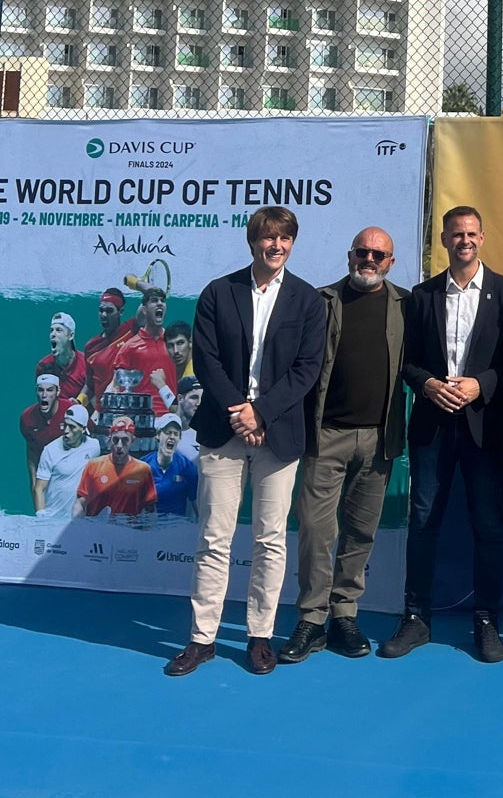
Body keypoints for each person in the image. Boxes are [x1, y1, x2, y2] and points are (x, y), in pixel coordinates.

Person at [164, 206, 325, 677]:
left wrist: (263, 412)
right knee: (214, 538)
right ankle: (202, 639)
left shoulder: (307, 300)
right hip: (223, 430)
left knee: (270, 540)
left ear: (293, 243)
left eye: (285, 239)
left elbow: (307, 369)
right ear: (252, 242)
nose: (276, 246)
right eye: (267, 238)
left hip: (279, 434)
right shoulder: (219, 292)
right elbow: (207, 360)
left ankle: (259, 637)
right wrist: (241, 411)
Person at [380, 207, 503, 663]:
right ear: (442, 240)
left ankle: (487, 622)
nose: (464, 240)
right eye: (455, 234)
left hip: (484, 430)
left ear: (482, 238)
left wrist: (481, 384)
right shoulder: (420, 296)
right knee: (423, 524)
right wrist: (427, 384)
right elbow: (407, 361)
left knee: (488, 527)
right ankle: (416, 619)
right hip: (433, 427)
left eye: (471, 233)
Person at [279, 226, 409, 664]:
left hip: (379, 439)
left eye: (379, 254)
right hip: (326, 435)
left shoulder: (407, 305)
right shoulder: (321, 301)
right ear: (349, 255)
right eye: (362, 252)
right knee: (316, 531)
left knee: (360, 532)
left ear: (391, 262)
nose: (369, 259)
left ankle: (344, 615)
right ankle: (312, 619)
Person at [73, 416, 156, 520]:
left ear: (132, 441)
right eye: (115, 440)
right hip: (98, 532)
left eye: (125, 440)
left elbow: (150, 510)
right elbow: (80, 503)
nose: (119, 445)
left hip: (129, 533)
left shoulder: (143, 470)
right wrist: (77, 525)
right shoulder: (93, 466)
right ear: (109, 439)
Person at [109, 288, 176, 415]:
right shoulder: (129, 347)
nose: (160, 304)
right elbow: (116, 385)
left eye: (163, 301)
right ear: (144, 309)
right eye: (154, 301)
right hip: (140, 418)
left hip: (171, 416)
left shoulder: (174, 344)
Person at [34, 403, 100, 517]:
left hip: (78, 521)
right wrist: (41, 515)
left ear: (83, 429)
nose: (66, 431)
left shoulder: (94, 447)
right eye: (65, 425)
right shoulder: (50, 450)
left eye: (72, 427)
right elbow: (39, 488)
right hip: (52, 518)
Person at [83, 288, 137, 408]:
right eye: (101, 310)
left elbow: (148, 307)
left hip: (127, 410)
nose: (103, 315)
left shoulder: (131, 330)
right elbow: (90, 386)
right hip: (101, 413)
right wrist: (79, 401)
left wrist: (135, 283)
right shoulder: (90, 347)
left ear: (121, 311)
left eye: (109, 311)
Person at [20, 374, 68, 502]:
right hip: (46, 475)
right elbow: (32, 455)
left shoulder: (71, 411)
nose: (44, 395)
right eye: (40, 390)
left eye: (49, 390)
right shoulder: (27, 418)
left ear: (58, 392)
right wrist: (35, 486)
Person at [142, 413, 198, 517]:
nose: (172, 437)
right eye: (168, 433)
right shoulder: (143, 466)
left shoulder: (187, 467)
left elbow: (197, 505)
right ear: (158, 435)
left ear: (180, 438)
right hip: (148, 527)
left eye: (176, 434)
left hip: (176, 527)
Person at [36, 312, 87, 403]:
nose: (53, 334)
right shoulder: (43, 366)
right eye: (51, 330)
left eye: (58, 330)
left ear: (70, 335)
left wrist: (79, 404)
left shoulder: (86, 364)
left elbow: (95, 399)